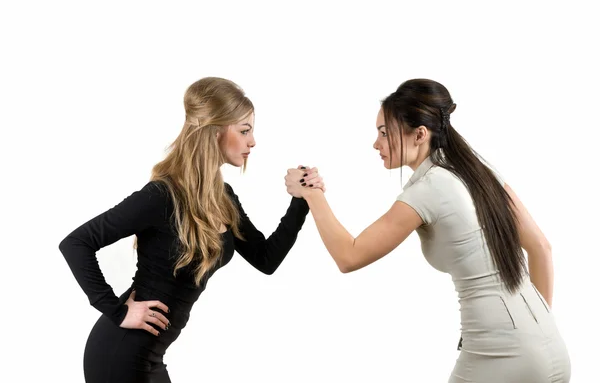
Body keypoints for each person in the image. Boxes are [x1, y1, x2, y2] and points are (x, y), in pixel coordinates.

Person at [285, 79, 571, 382]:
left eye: (384, 132)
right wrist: (535, 335)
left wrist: (311, 194)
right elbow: (542, 247)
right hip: (552, 346)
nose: (376, 143)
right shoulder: (479, 171)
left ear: (420, 134)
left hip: (500, 355)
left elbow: (349, 256)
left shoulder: (429, 188)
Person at [59, 77, 324, 383]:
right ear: (214, 131)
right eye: (244, 130)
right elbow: (76, 243)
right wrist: (116, 311)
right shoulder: (161, 195)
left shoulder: (223, 197)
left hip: (151, 358)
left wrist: (302, 201)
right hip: (120, 355)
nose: (253, 141)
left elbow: (266, 259)